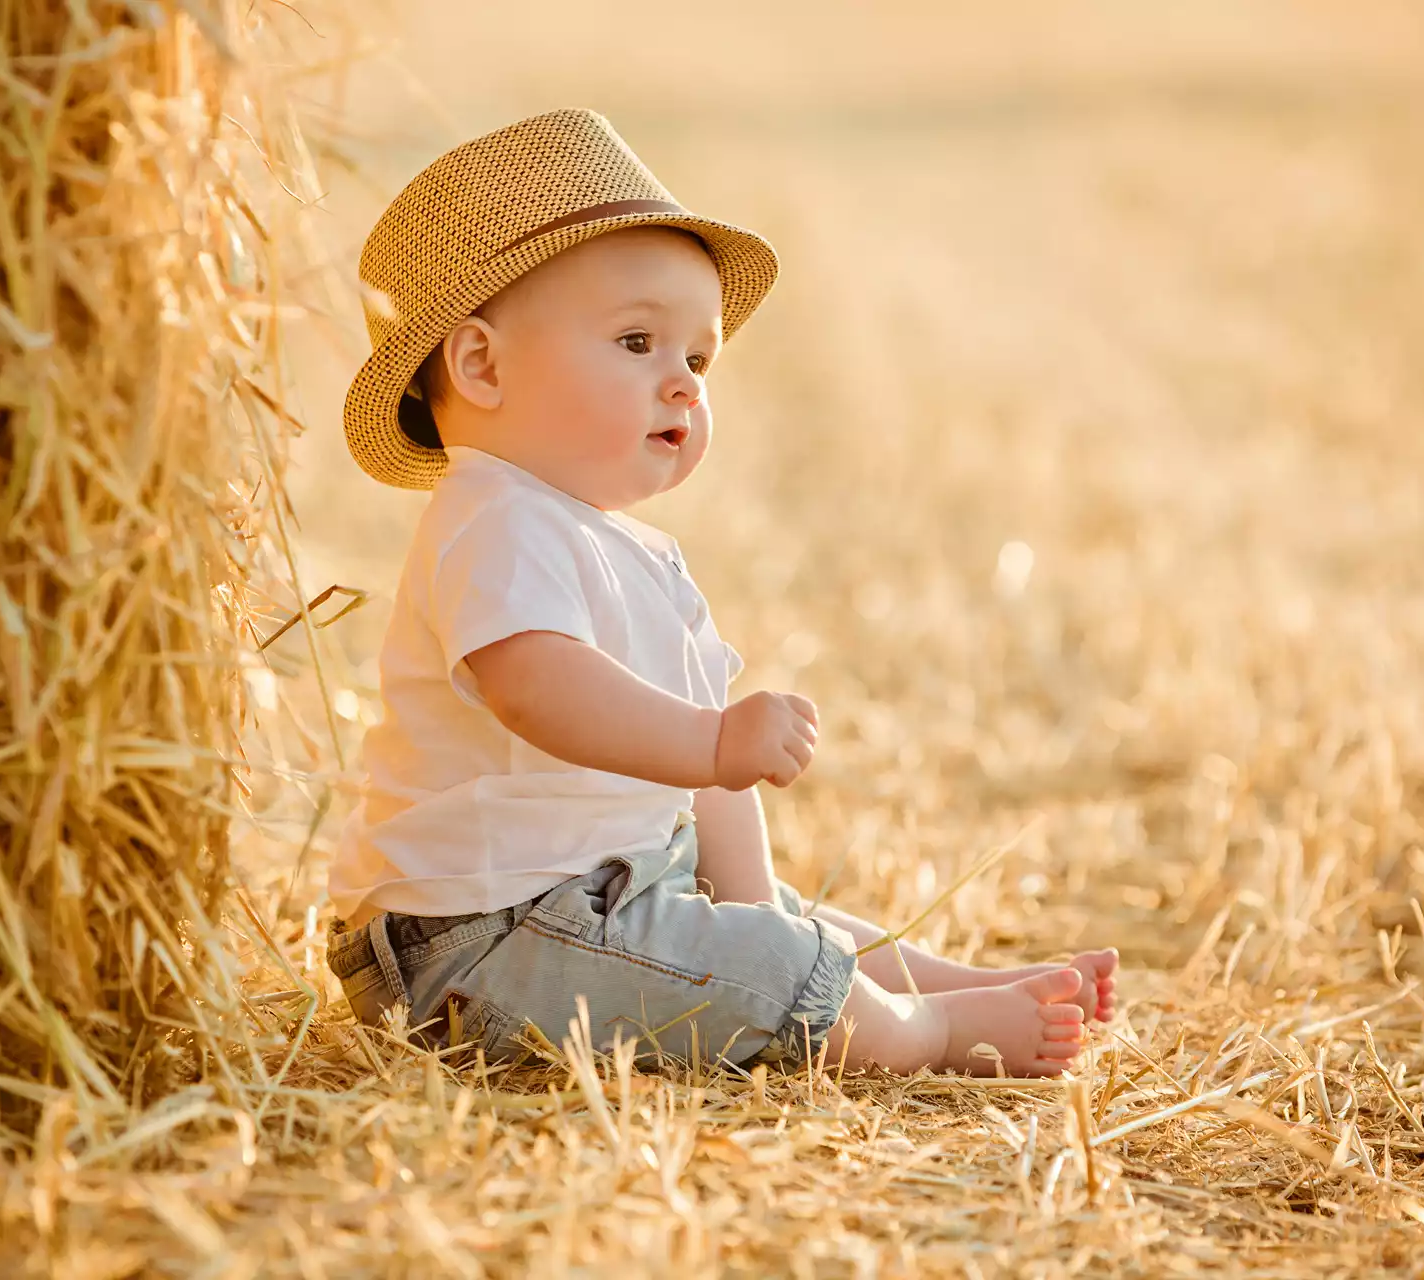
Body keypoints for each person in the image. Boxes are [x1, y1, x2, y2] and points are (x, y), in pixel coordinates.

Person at [325, 108, 1117, 1077]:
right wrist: (713, 745)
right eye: (636, 342)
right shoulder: (493, 516)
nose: (685, 385)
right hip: (476, 941)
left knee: (780, 924)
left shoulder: (637, 554)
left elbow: (711, 780)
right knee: (771, 958)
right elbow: (539, 685)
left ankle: (945, 981)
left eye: (697, 360)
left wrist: (751, 889)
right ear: (482, 364)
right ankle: (929, 1035)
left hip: (590, 903)